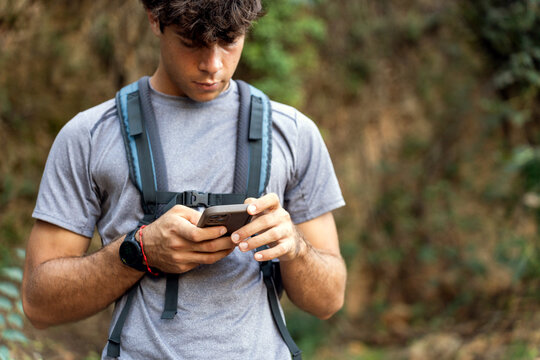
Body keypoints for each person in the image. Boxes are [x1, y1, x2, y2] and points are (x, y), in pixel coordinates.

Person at [21, 0, 347, 358]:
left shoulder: (292, 133)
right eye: (192, 43)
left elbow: (329, 301)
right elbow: (40, 305)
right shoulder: (90, 135)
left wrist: (295, 248)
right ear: (154, 19)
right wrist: (139, 251)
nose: (213, 65)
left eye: (230, 40)